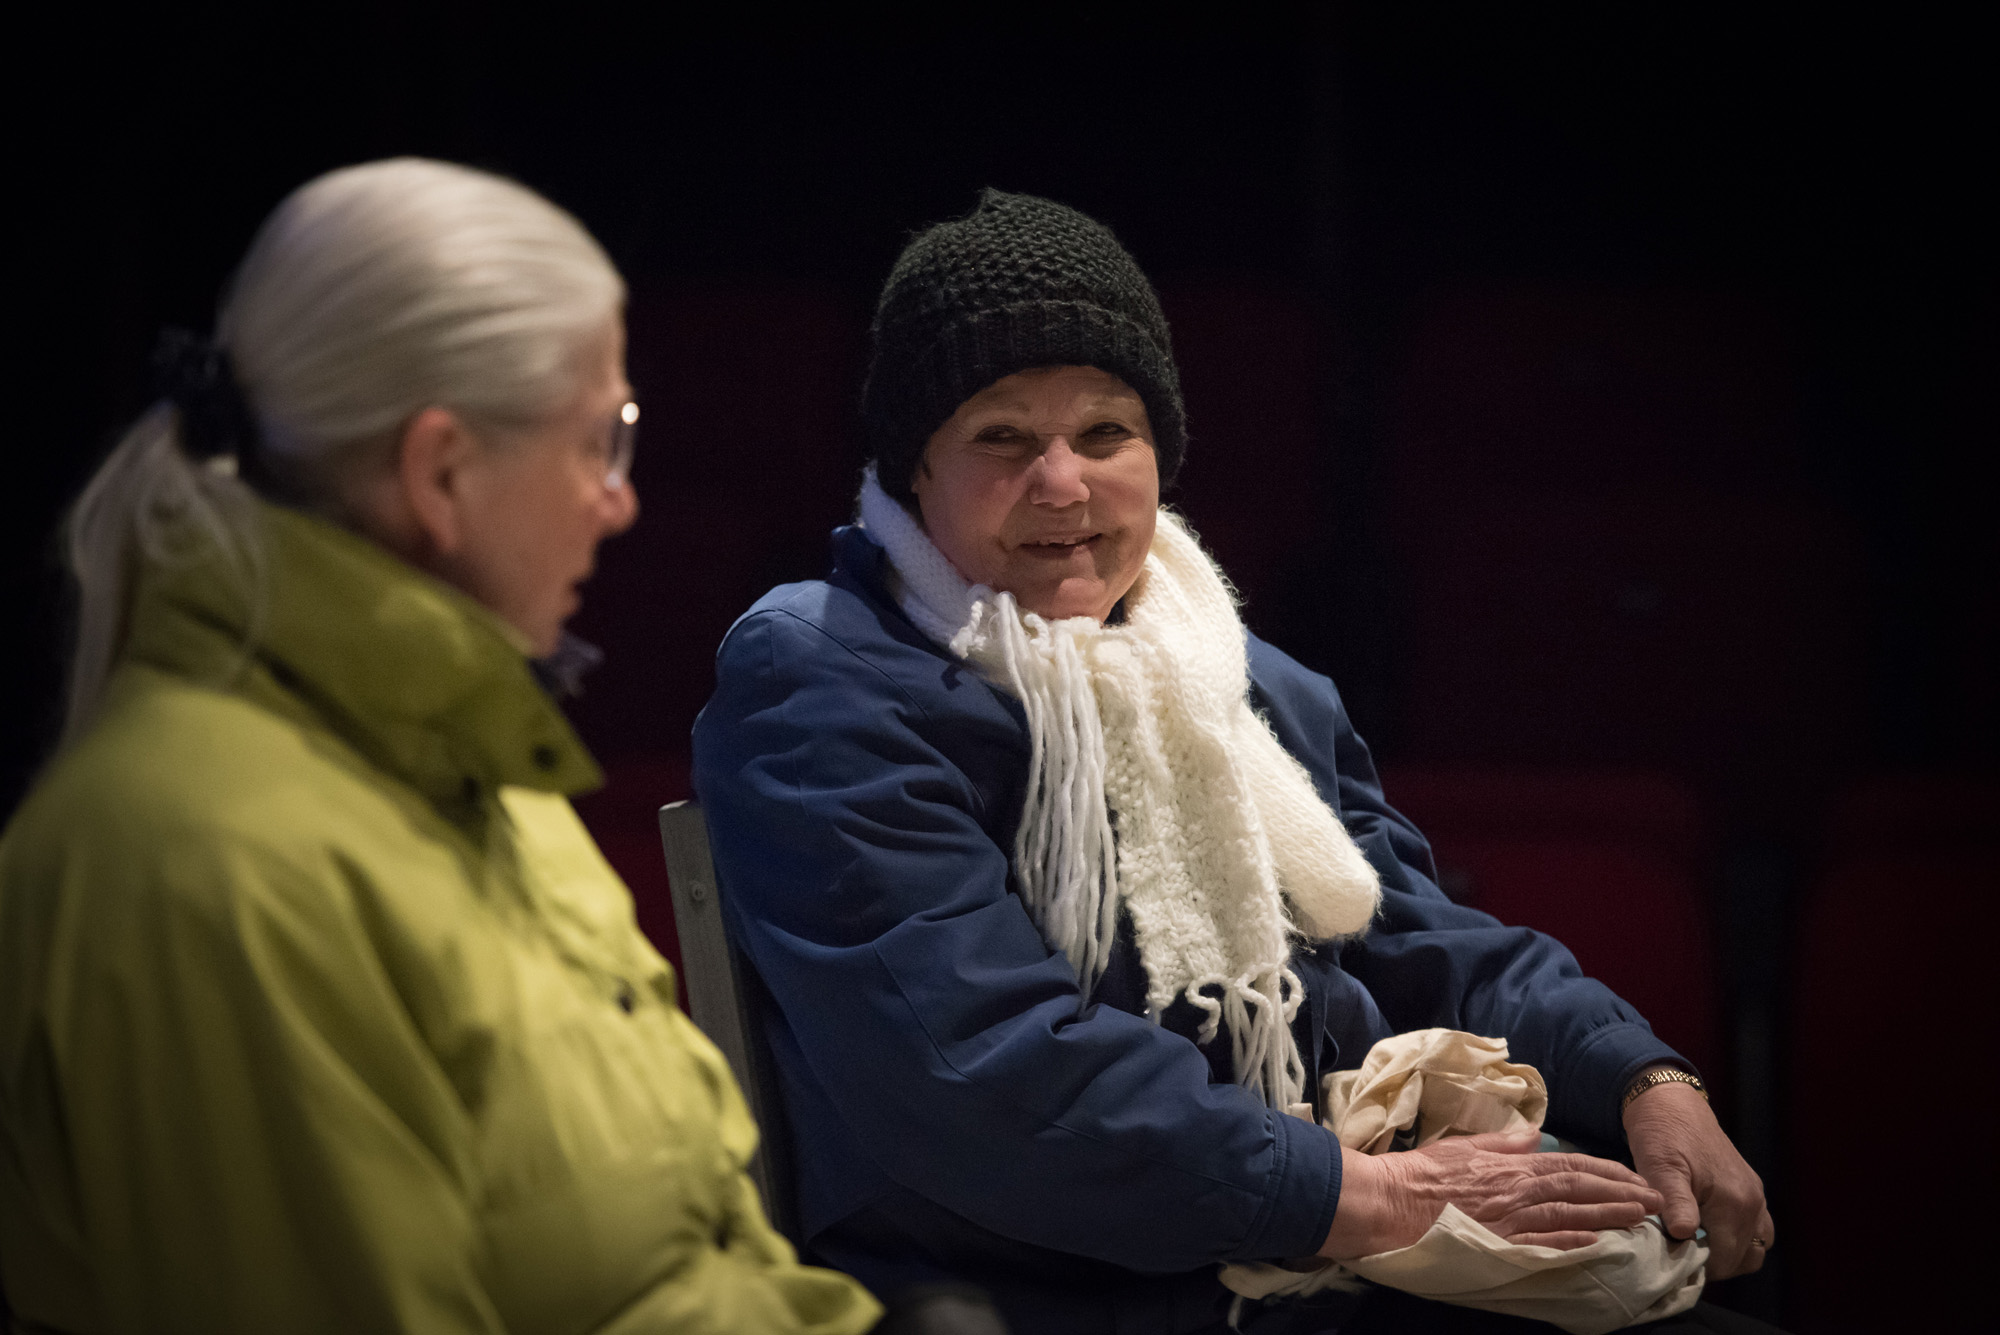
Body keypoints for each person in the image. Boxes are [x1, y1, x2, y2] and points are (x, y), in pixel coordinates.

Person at [691, 190, 1777, 1335]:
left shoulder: (1236, 672)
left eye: (1105, 434)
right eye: (1001, 438)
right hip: (1047, 1294)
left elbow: (1414, 935)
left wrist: (1644, 1082)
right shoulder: (821, 676)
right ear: (915, 469)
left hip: (1295, 1254)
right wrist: (1364, 1195)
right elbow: (985, 1069)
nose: (1062, 483)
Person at [0, 158, 881, 1335]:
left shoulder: (476, 765)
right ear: (441, 470)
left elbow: (673, 1251)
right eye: (600, 438)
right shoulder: (204, 865)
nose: (620, 500)